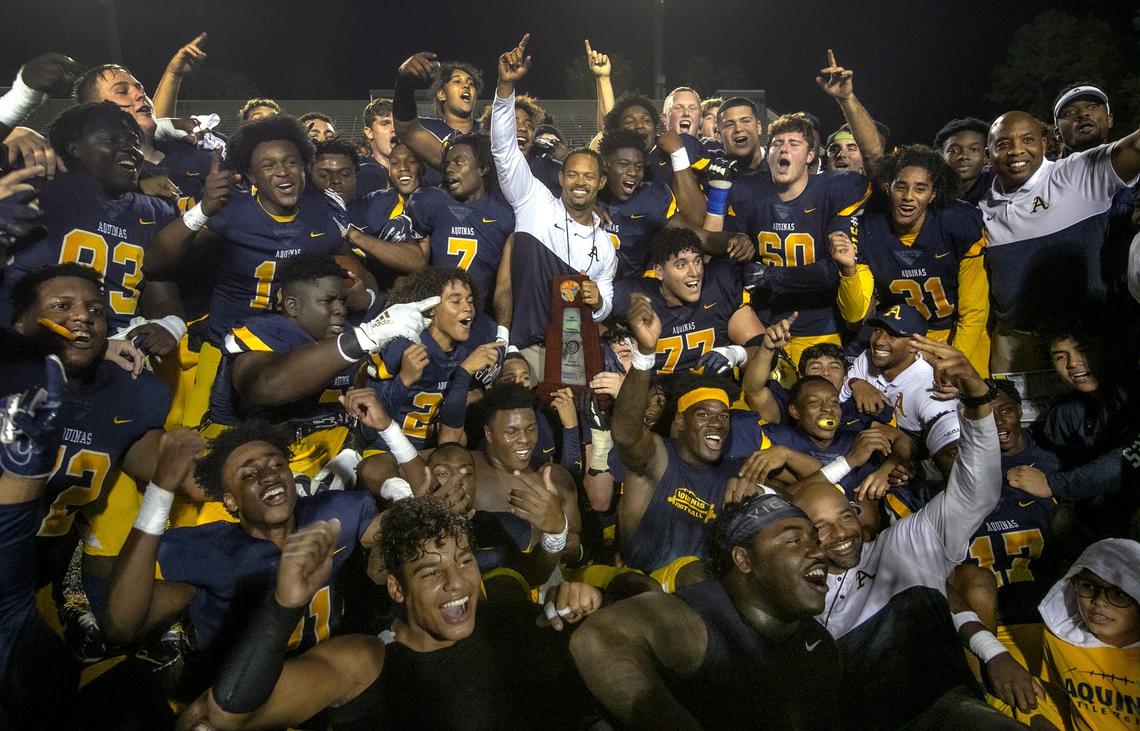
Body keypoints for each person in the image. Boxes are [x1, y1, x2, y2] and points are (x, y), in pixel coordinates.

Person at [177, 497, 601, 729]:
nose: (457, 582)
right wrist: (283, 607)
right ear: (397, 588)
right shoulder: (366, 659)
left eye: (465, 560)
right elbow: (219, 716)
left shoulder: (499, 616)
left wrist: (576, 600)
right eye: (431, 572)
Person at [795, 336, 1024, 728]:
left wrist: (975, 396)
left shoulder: (900, 544)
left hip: (945, 710)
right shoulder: (796, 587)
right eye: (820, 526)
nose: (841, 531)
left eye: (845, 514)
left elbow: (977, 490)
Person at [146, 115, 375, 428]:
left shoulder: (325, 208)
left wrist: (367, 295)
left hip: (300, 348)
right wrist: (204, 209)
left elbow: (357, 273)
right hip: (235, 347)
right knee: (209, 442)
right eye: (268, 165)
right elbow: (156, 263)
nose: (282, 171)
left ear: (304, 166)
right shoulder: (231, 210)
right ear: (251, 175)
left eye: (291, 162)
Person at [100, 420, 382, 668]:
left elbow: (397, 547)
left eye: (276, 464)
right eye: (248, 474)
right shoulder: (210, 550)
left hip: (323, 675)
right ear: (230, 501)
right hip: (238, 697)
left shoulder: (339, 510)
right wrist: (160, 491)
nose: (268, 475)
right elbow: (120, 628)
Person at [570, 493, 842, 729]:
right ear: (743, 559)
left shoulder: (821, 646)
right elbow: (598, 638)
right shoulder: (700, 617)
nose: (817, 552)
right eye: (794, 541)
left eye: (815, 541)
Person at [611, 294, 819, 589]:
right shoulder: (658, 457)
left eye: (723, 416)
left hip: (700, 598)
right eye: (704, 414)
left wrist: (781, 460)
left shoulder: (735, 469)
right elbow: (626, 434)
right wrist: (645, 354)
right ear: (681, 421)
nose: (717, 423)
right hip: (637, 588)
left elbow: (816, 490)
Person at [206, 255, 430, 475]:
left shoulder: (349, 337)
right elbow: (267, 385)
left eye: (342, 300)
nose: (340, 309)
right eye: (328, 300)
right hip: (259, 470)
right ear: (293, 306)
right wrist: (362, 339)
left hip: (332, 465)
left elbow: (366, 418)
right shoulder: (268, 331)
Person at [0, 103, 181, 344]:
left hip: (121, 345)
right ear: (74, 148)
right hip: (34, 343)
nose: (129, 148)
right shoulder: (38, 186)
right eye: (111, 139)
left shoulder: (156, 210)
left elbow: (158, 281)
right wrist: (12, 129)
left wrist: (169, 324)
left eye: (134, 142)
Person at [490, 34, 616, 377]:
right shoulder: (533, 202)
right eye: (572, 174)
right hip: (525, 352)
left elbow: (605, 302)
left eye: (589, 177)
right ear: (560, 178)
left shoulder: (604, 244)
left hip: (574, 354)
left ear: (601, 183)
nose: (579, 182)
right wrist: (505, 87)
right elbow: (504, 152)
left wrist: (600, 302)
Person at [980, 110, 1140, 372]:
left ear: (1044, 143)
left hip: (1088, 340)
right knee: (1012, 413)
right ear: (988, 155)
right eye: (1003, 144)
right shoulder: (981, 204)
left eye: (1027, 140)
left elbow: (1134, 148)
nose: (1016, 151)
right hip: (1017, 342)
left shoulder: (1077, 173)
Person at [716, 112, 872, 365]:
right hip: (764, 322)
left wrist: (770, 276)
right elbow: (733, 260)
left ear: (810, 155)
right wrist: (738, 239)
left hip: (819, 325)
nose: (783, 150)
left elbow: (834, 270)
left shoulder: (836, 189)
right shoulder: (747, 190)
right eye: (777, 144)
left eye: (793, 144)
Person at [832, 144, 991, 374]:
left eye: (920, 189)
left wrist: (952, 363)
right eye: (901, 187)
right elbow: (855, 315)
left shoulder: (958, 222)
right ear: (888, 187)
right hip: (903, 341)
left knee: (970, 401)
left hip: (956, 333)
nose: (908, 197)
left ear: (933, 193)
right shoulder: (870, 227)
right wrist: (848, 271)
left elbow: (974, 311)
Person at [365, 268, 500, 451]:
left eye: (470, 300)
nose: (467, 307)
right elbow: (370, 422)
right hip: (384, 450)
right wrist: (404, 380)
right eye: (455, 301)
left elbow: (452, 429)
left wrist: (466, 375)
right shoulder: (404, 345)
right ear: (431, 310)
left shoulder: (468, 349)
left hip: (431, 450)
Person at [964, 378, 1061, 623]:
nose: (997, 422)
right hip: (986, 596)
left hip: (1039, 594)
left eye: (1005, 411)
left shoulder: (1053, 457)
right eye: (986, 414)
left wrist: (1053, 488)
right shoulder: (964, 460)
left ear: (1019, 410)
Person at [609, 228, 764, 375]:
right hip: (657, 394)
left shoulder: (720, 285)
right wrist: (606, 351)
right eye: (681, 265)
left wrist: (737, 354)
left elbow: (762, 351)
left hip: (713, 390)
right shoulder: (632, 296)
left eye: (697, 261)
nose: (694, 272)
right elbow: (597, 330)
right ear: (660, 272)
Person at [1031, 538, 1140, 731]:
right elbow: (1060, 699)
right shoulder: (1062, 638)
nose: (1098, 602)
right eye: (1088, 587)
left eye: (1118, 594)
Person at [842, 305, 962, 476]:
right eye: (877, 330)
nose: (879, 341)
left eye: (892, 335)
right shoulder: (867, 358)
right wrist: (854, 383)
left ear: (915, 345)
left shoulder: (933, 389)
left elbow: (954, 456)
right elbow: (835, 395)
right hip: (867, 454)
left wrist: (904, 470)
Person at [933, 117, 993, 204]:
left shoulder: (999, 184)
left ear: (986, 156)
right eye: (953, 151)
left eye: (974, 149)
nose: (963, 156)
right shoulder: (930, 190)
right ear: (941, 156)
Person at [357, 97, 393, 196]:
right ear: (369, 132)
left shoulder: (418, 171)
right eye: (385, 123)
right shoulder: (358, 172)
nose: (394, 129)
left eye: (398, 124)